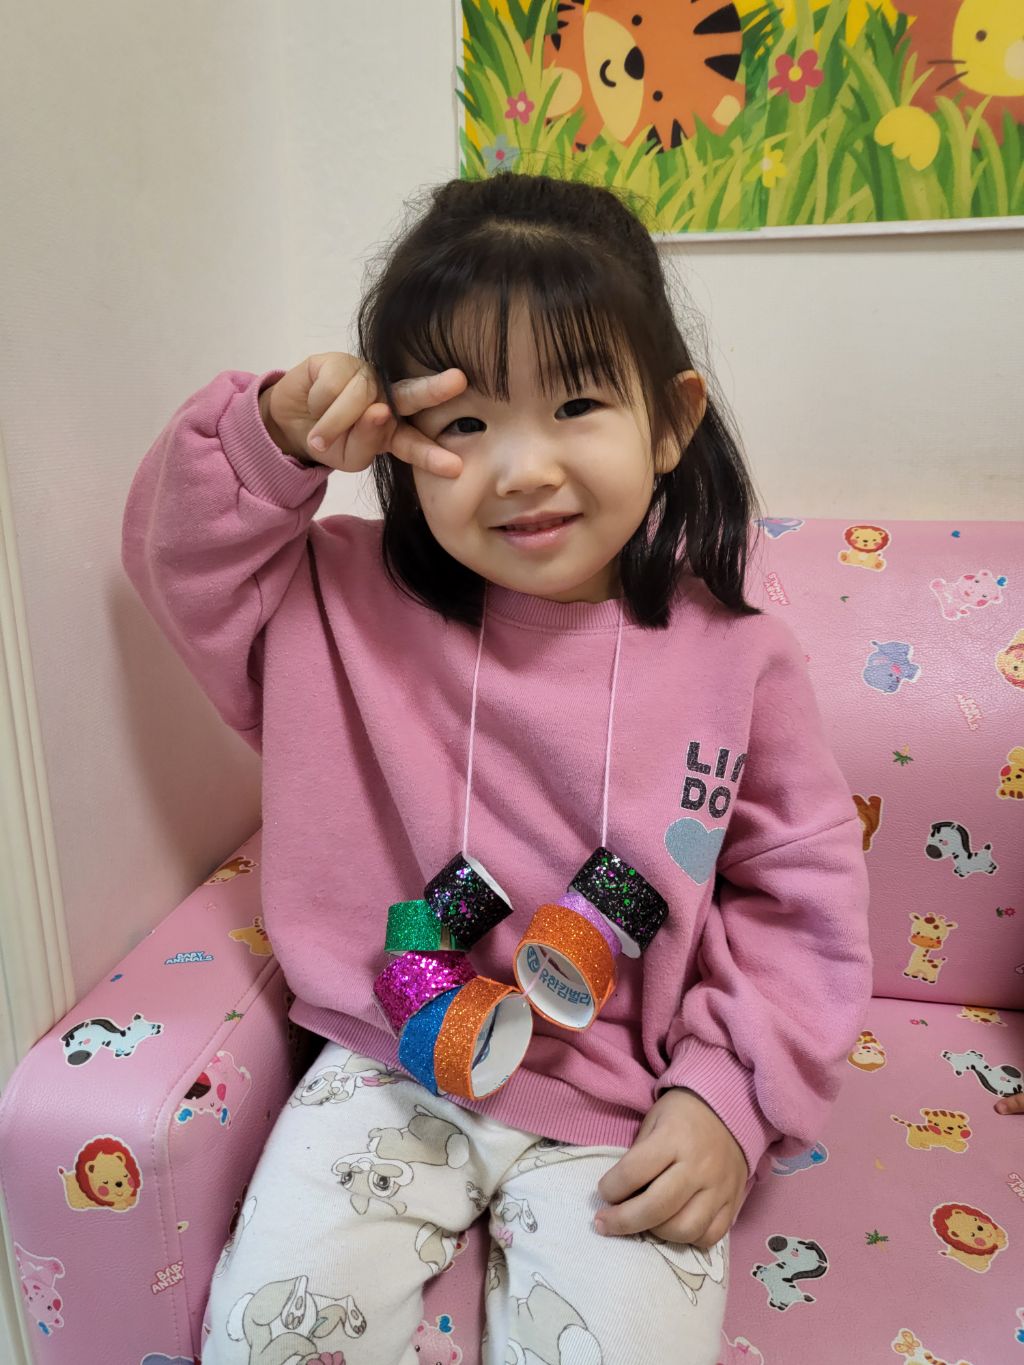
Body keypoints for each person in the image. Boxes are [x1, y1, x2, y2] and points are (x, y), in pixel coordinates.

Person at [121, 172, 873, 1365]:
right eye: (464, 424)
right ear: (396, 440)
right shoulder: (333, 601)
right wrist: (270, 435)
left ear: (670, 419)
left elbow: (804, 903)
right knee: (268, 1342)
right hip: (382, 1066)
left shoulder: (740, 663)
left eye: (575, 403)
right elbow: (182, 558)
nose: (520, 469)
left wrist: (728, 1096)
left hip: (625, 1102)